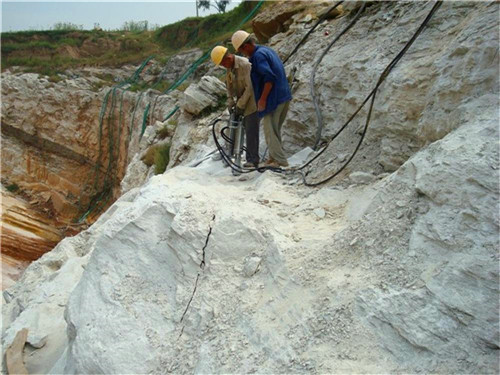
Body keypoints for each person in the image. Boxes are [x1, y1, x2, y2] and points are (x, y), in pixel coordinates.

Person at [231, 30, 292, 168]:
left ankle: (280, 161)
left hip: (274, 98)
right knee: (274, 130)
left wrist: (263, 99)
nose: (242, 54)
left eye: (241, 51)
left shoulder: (258, 56)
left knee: (269, 130)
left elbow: (269, 77)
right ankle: (273, 158)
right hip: (283, 95)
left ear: (245, 46)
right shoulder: (265, 50)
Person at [210, 45, 260, 168]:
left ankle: (253, 160)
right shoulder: (230, 67)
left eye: (222, 63)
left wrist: (240, 105)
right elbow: (229, 85)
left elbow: (250, 88)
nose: (223, 66)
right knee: (235, 126)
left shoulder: (244, 65)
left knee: (251, 130)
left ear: (228, 58)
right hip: (240, 100)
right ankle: (231, 153)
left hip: (252, 102)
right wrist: (230, 100)